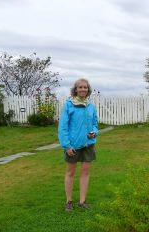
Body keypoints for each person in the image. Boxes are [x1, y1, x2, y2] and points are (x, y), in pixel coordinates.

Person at [58, 78, 99, 211]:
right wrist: (66, 146)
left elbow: (95, 124)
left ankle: (82, 201)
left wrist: (94, 132)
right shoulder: (69, 105)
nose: (83, 89)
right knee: (70, 172)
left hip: (88, 144)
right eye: (80, 87)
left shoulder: (91, 106)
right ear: (75, 89)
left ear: (88, 90)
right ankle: (69, 201)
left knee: (85, 172)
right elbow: (62, 127)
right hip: (73, 146)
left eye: (85, 87)